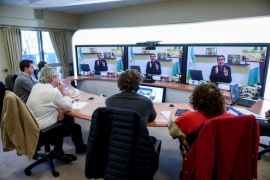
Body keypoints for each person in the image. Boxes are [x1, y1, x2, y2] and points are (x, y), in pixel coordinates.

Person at [26, 67, 86, 154]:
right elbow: (68, 106)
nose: (59, 78)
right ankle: (79, 148)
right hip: (43, 130)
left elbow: (47, 104)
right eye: (58, 76)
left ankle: (58, 150)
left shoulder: (36, 86)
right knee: (75, 127)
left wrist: (59, 111)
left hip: (32, 126)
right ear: (53, 78)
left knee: (64, 117)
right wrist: (62, 90)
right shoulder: (53, 92)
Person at [168, 83, 232, 156]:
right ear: (220, 99)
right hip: (220, 155)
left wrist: (172, 114)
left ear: (196, 100)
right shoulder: (229, 118)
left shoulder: (187, 118)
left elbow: (173, 132)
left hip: (196, 156)